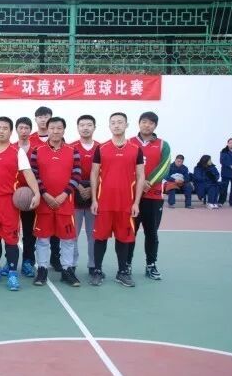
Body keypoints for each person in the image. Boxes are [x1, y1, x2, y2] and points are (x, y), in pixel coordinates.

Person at [0, 117, 40, 291]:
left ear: (11, 131)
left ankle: (12, 274)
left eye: (5, 128)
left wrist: (37, 193)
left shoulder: (17, 152)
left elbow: (28, 173)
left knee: (11, 238)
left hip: (9, 202)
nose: (1, 131)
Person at [90, 112, 145, 287]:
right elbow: (94, 174)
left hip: (126, 204)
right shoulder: (101, 148)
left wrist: (136, 203)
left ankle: (122, 272)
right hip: (104, 203)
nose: (116, 125)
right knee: (100, 238)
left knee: (124, 239)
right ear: (109, 126)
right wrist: (94, 199)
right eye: (113, 122)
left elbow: (141, 176)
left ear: (126, 125)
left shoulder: (136, 149)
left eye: (120, 122)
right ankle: (97, 270)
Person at [30, 117, 82, 287]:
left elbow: (77, 175)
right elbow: (34, 175)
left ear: (64, 130)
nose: (55, 131)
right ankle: (42, 269)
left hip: (65, 202)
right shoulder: (37, 150)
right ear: (47, 130)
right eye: (52, 128)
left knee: (68, 239)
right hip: (44, 203)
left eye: (59, 128)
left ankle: (67, 270)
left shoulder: (73, 150)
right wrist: (44, 194)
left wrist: (64, 195)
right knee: (43, 238)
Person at [128, 111, 171, 281]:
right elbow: (124, 166)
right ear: (139, 123)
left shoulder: (163, 145)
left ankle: (151, 265)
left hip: (153, 197)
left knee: (151, 233)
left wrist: (148, 182)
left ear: (155, 126)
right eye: (144, 122)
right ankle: (126, 264)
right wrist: (137, 183)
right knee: (129, 232)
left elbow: (164, 166)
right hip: (132, 197)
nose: (147, 125)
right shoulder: (129, 143)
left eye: (151, 123)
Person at [30, 106, 61, 272]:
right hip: (34, 193)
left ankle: (55, 258)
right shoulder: (30, 139)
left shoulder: (59, 140)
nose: (43, 119)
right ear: (36, 119)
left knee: (55, 229)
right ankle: (31, 259)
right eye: (40, 116)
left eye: (46, 116)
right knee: (34, 229)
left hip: (55, 194)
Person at [70, 115, 100, 276]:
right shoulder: (70, 147)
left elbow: (104, 173)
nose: (85, 128)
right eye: (82, 125)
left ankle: (93, 265)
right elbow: (67, 171)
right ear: (78, 127)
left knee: (93, 234)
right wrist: (79, 186)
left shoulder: (101, 148)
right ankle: (71, 264)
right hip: (74, 197)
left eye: (89, 125)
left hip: (94, 198)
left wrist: (92, 189)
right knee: (72, 234)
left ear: (94, 127)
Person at [7, 116, 36, 278]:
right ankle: (9, 261)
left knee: (29, 231)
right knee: (10, 230)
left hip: (29, 196)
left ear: (31, 130)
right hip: (12, 196)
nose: (24, 131)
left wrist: (36, 192)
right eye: (21, 128)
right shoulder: (10, 148)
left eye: (27, 128)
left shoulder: (37, 149)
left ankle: (28, 261)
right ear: (16, 130)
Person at [219, 138, 232, 207]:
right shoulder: (224, 151)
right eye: (230, 143)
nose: (231, 144)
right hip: (226, 172)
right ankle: (221, 201)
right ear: (227, 143)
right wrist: (229, 165)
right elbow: (222, 160)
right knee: (224, 188)